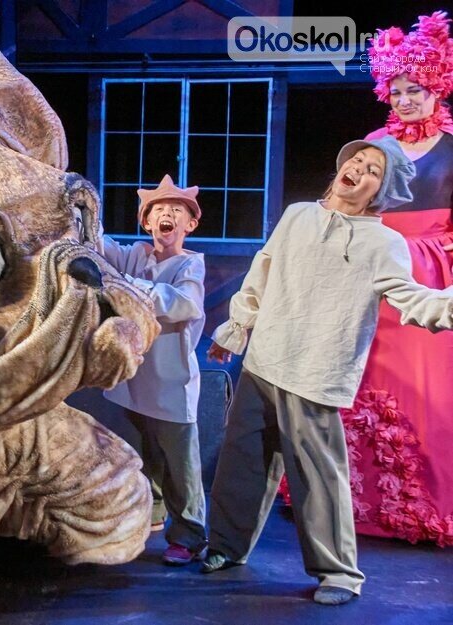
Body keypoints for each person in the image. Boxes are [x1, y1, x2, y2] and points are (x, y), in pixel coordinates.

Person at [203, 136, 453, 606]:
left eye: (373, 170)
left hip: (316, 373)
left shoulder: (384, 242)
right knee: (243, 463)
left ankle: (339, 573)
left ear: (381, 192)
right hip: (264, 361)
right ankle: (226, 547)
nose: (359, 168)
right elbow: (262, 271)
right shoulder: (298, 215)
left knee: (319, 479)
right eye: (357, 160)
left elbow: (412, 299)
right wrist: (235, 329)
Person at [340, 10, 453, 545]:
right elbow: (351, 204)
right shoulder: (375, 144)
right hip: (378, 264)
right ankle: (363, 501)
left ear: (437, 89)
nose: (406, 100)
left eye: (416, 90)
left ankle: (427, 501)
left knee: (427, 382)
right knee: (370, 373)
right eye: (398, 91)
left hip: (431, 269)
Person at [98, 174, 208, 566]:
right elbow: (98, 245)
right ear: (147, 222)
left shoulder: (190, 264)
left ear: (189, 224)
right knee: (148, 454)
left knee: (181, 464)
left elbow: (184, 304)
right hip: (137, 379)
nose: (168, 215)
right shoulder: (136, 255)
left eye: (177, 210)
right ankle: (155, 514)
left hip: (171, 382)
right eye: (159, 209)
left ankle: (190, 535)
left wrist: (126, 287)